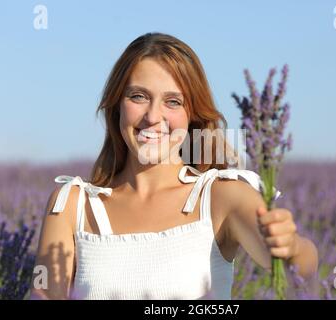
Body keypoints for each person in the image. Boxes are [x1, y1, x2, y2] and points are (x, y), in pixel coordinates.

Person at [30, 32, 318, 300]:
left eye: (172, 101)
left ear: (191, 114)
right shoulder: (73, 205)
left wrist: (292, 247)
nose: (153, 116)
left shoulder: (221, 196)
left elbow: (298, 270)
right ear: (117, 104)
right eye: (138, 96)